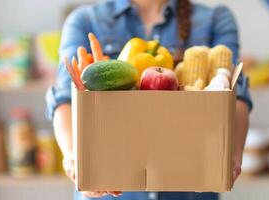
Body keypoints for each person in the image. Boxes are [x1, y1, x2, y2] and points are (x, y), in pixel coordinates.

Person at [45, 0, 253, 199]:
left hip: (190, 189)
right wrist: (74, 158)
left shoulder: (216, 19)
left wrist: (231, 154)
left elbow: (235, 95)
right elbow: (65, 98)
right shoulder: (85, 20)